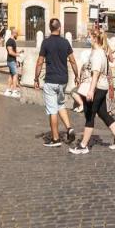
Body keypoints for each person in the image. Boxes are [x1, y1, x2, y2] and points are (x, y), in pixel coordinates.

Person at [71, 28, 115, 154]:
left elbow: (95, 73)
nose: (88, 39)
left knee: (90, 115)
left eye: (89, 36)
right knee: (103, 113)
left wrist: (90, 90)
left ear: (95, 38)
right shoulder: (101, 51)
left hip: (97, 87)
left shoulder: (97, 54)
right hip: (103, 86)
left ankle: (83, 146)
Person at [34, 18, 79, 147]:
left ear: (50, 28)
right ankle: (69, 128)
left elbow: (39, 62)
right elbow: (73, 61)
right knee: (60, 105)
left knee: (52, 110)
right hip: (63, 80)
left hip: (51, 80)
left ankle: (55, 139)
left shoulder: (46, 43)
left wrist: (36, 78)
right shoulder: (65, 42)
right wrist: (77, 75)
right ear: (60, 27)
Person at [4, 28, 21, 98]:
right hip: (11, 61)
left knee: (11, 75)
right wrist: (18, 55)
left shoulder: (12, 41)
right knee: (15, 75)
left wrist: (19, 53)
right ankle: (14, 91)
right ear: (14, 33)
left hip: (12, 60)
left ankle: (8, 90)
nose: (17, 35)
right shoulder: (10, 41)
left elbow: (13, 52)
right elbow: (10, 52)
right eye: (17, 34)